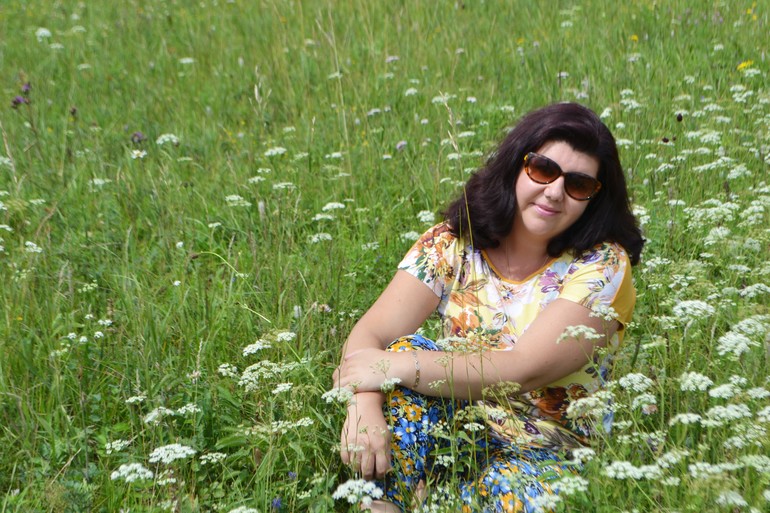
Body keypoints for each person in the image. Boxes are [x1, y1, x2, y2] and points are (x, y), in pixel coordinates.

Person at [333, 102, 644, 512]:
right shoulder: (453, 243)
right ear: (516, 165)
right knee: (398, 358)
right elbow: (369, 336)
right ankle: (385, 504)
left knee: (401, 362)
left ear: (593, 198)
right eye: (543, 169)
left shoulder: (603, 265)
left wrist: (396, 365)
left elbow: (520, 370)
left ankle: (431, 499)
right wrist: (362, 404)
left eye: (579, 184)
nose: (555, 192)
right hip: (457, 429)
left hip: (545, 452)